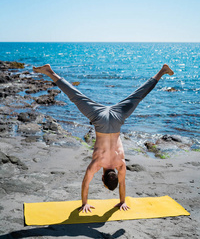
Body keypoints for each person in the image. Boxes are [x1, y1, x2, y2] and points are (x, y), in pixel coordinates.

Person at [33, 63, 174, 213]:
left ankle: (162, 70)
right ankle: (49, 72)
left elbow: (122, 183)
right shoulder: (97, 163)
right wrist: (84, 204)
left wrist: (122, 202)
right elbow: (85, 183)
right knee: (76, 96)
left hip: (117, 118)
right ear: (102, 177)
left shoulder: (121, 164)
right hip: (99, 119)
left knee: (138, 95)